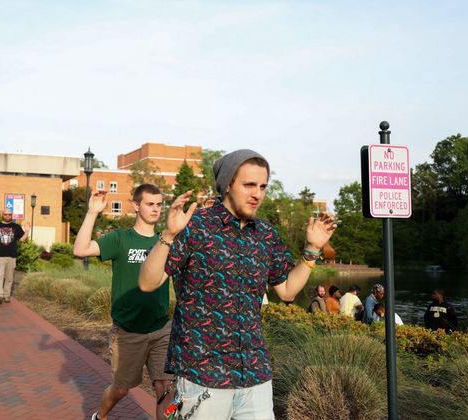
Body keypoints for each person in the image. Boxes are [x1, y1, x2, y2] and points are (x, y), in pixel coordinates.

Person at [139, 149, 337, 419]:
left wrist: (312, 250)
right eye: (249, 185)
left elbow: (287, 290)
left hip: (255, 375)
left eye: (263, 186)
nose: (257, 193)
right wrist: (169, 234)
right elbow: (148, 283)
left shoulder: (267, 235)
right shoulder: (194, 226)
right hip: (203, 375)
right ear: (228, 184)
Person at [73, 185, 173, 420]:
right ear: (136, 206)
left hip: (161, 329)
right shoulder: (120, 238)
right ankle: (101, 416)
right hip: (128, 331)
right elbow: (80, 249)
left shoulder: (166, 242)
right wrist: (92, 212)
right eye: (150, 204)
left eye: (159, 204)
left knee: (165, 388)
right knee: (121, 389)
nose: (156, 209)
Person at [0, 209, 29, 304]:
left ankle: (6, 296)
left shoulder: (16, 226)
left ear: (11, 215)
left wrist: (27, 232)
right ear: (2, 214)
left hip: (12, 256)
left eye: (9, 214)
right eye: (5, 214)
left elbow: (22, 240)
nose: (7, 216)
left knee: (9, 278)